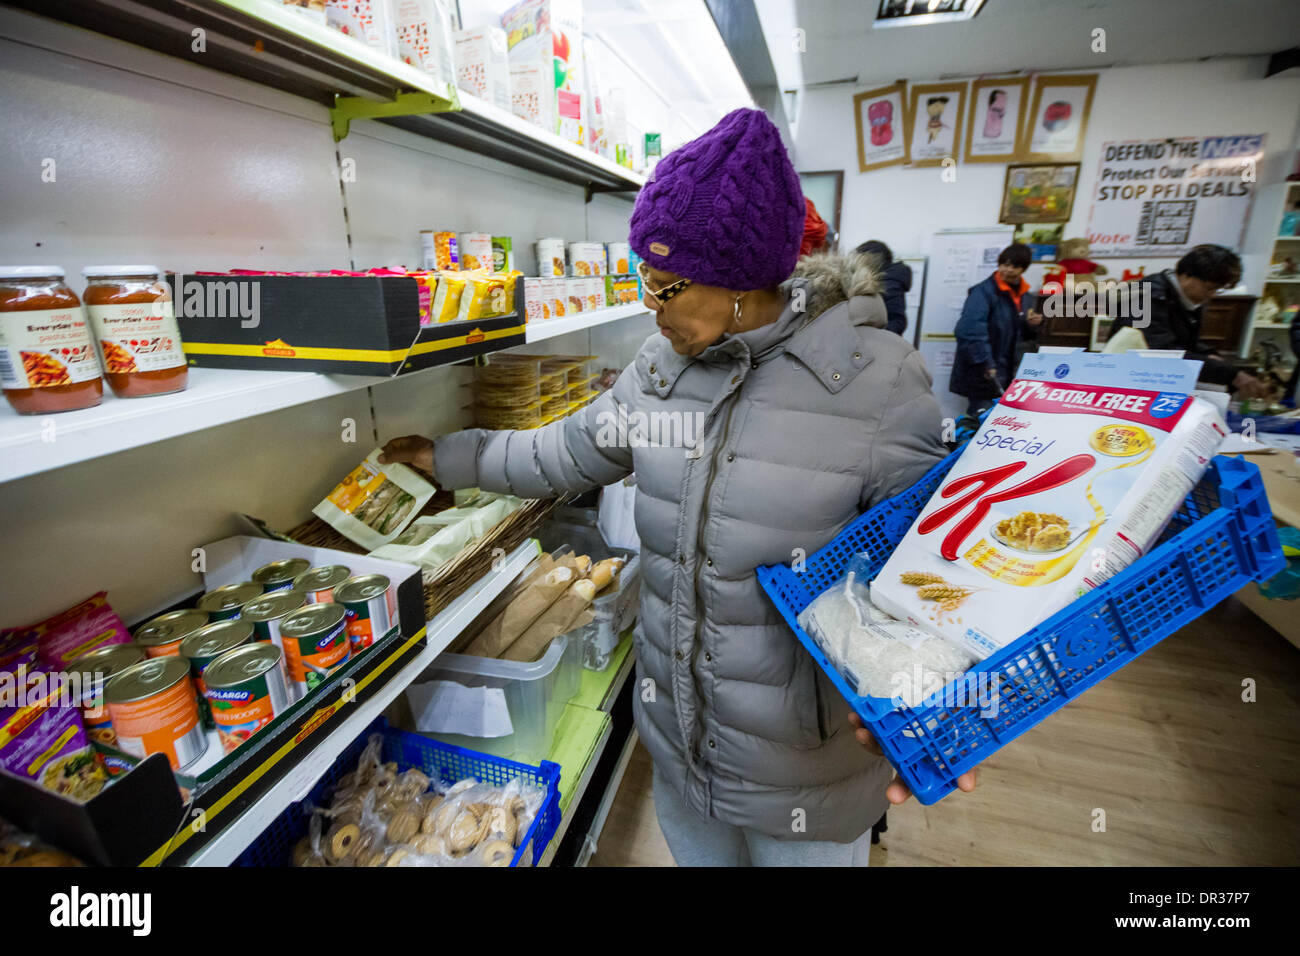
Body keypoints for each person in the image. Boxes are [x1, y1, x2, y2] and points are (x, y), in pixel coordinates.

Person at [379, 108, 970, 867]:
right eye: (644, 283)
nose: (648, 307)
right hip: (681, 749)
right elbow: (558, 454)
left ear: (743, 280)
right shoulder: (659, 377)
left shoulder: (878, 385)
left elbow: (935, 578)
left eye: (666, 287)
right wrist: (448, 457)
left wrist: (941, 706)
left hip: (805, 774)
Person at [1108, 244, 1270, 398]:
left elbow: (1182, 339)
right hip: (1130, 382)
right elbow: (1161, 351)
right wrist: (1229, 373)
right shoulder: (1149, 296)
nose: (1211, 295)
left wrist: (1208, 354)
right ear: (1187, 275)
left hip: (1153, 379)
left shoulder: (1184, 297)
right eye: (1209, 288)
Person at [949, 242, 1043, 417]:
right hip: (986, 371)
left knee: (1002, 421)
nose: (1007, 270)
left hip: (1010, 373)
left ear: (1023, 269)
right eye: (1004, 264)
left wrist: (1032, 325)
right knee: (980, 421)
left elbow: (1021, 336)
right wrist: (986, 364)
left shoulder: (1026, 297)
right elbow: (969, 331)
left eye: (1014, 266)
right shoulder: (982, 292)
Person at [855, 240, 911, 337]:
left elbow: (898, 322)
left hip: (878, 344)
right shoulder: (883, 279)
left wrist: (872, 336)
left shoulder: (889, 283)